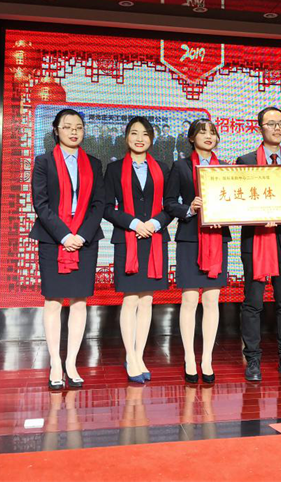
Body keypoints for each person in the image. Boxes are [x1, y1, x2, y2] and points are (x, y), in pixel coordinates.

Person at [30, 108, 105, 390]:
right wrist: (64, 236)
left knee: (79, 302)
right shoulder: (43, 162)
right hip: (53, 239)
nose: (74, 131)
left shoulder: (94, 163)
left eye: (79, 127)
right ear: (56, 130)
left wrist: (81, 235)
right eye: (67, 126)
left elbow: (99, 204)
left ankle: (71, 362)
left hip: (85, 240)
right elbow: (41, 204)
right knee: (53, 301)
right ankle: (55, 362)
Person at [236, 107, 281, 381]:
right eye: (271, 124)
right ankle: (253, 360)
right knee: (253, 302)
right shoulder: (245, 161)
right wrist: (257, 215)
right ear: (260, 128)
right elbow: (239, 202)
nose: (277, 128)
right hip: (255, 239)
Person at [104, 117, 172, 384]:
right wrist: (133, 223)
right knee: (130, 300)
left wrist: (154, 223)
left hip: (154, 238)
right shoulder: (114, 169)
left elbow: (170, 205)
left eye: (145, 134)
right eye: (134, 133)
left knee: (147, 301)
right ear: (126, 137)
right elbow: (107, 207)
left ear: (152, 139)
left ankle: (139, 355)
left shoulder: (163, 168)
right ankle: (130, 356)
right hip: (127, 238)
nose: (139, 138)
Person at [164, 118, 231, 384]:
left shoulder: (225, 168)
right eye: (202, 132)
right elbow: (169, 203)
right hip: (190, 238)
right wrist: (189, 209)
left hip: (217, 237)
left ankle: (207, 359)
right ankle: (190, 358)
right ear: (191, 138)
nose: (208, 136)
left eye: (212, 132)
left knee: (212, 301)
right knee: (190, 301)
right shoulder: (180, 166)